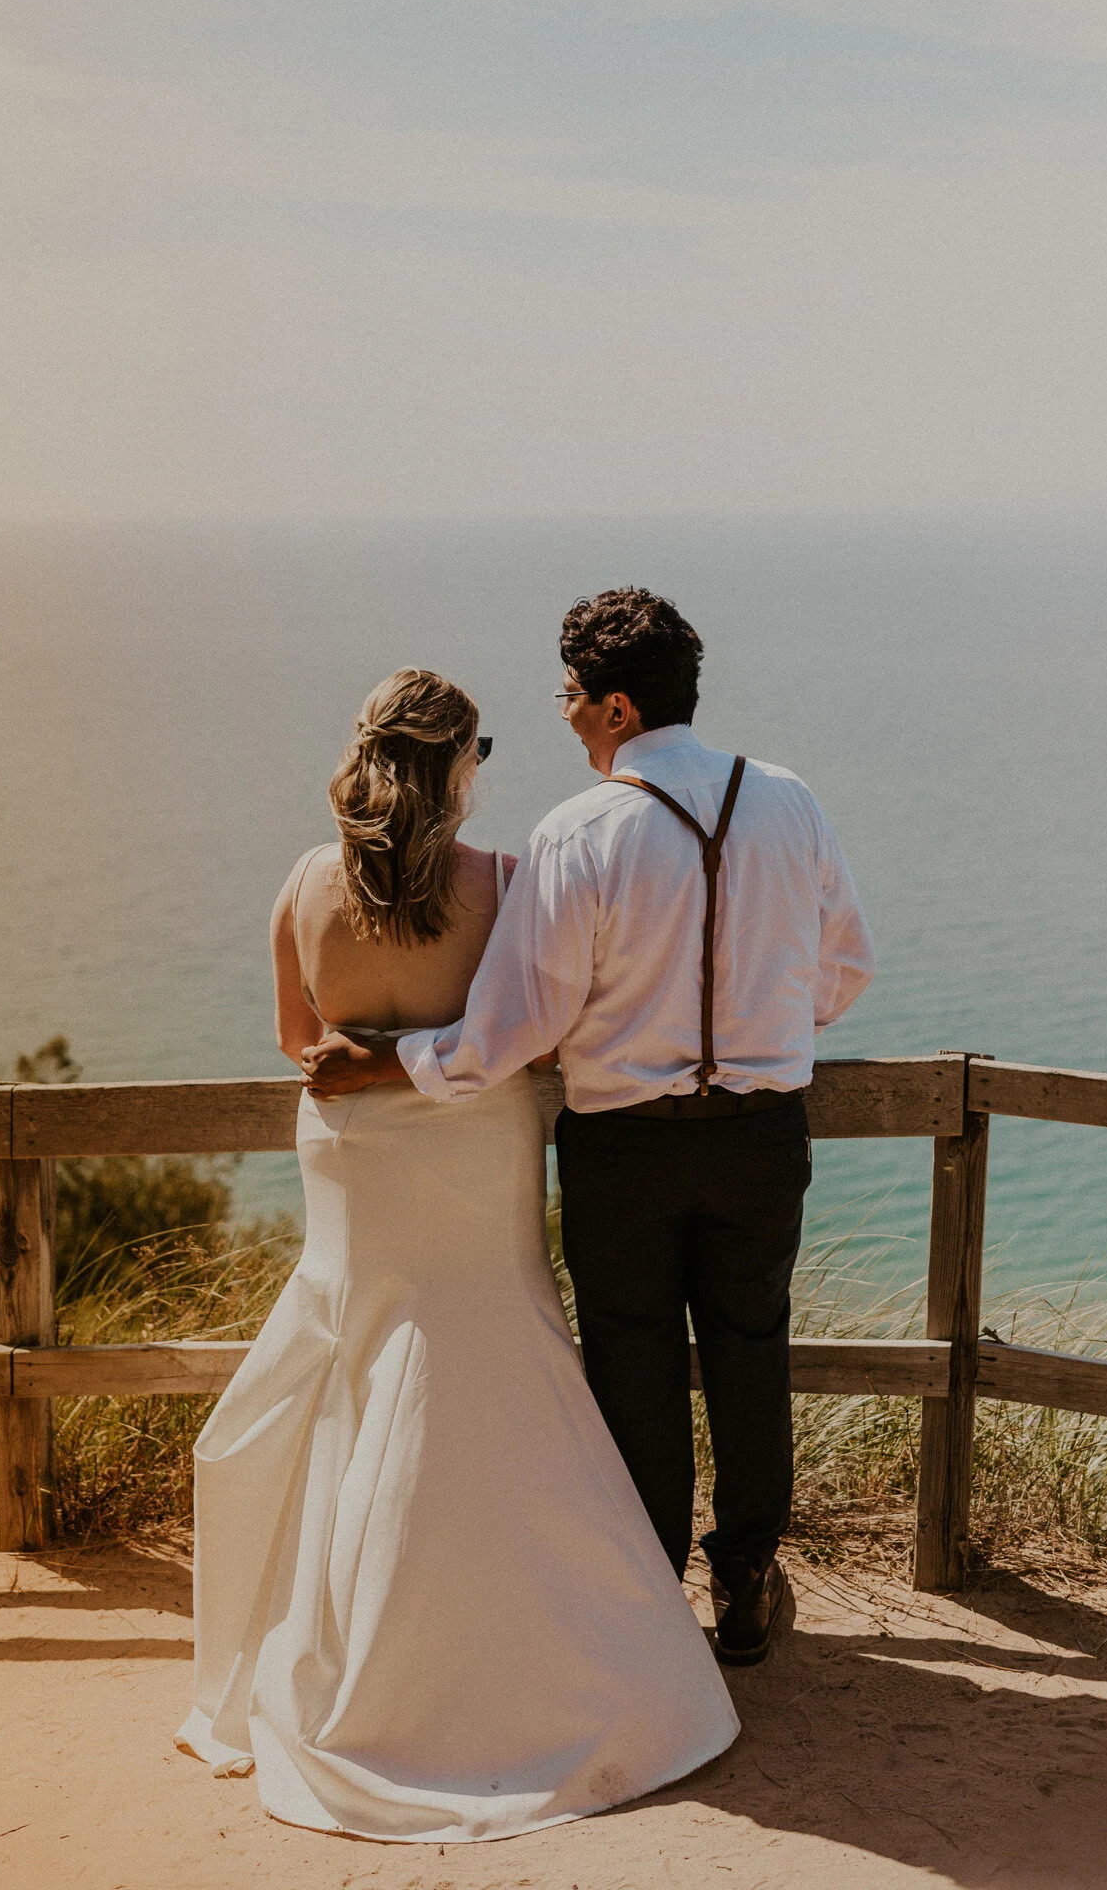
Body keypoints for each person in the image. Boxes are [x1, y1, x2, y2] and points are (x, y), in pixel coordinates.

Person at [176, 666, 738, 1843]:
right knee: (485, 1350)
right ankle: (515, 1648)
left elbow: (296, 1036)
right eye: (478, 744)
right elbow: (535, 1024)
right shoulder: (503, 881)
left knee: (359, 1357)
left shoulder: (301, 882)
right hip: (474, 1149)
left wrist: (363, 1048)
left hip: (352, 1162)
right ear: (453, 766)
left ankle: (334, 1644)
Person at [304, 592, 875, 1669]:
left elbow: (516, 1027)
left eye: (569, 696)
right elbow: (844, 967)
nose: (564, 715)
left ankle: (646, 1591)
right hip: (761, 1135)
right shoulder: (791, 800)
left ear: (615, 704)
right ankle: (747, 1575)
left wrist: (389, 1058)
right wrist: (753, 1033)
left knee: (634, 1362)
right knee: (753, 1347)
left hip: (626, 1145)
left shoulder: (576, 831)